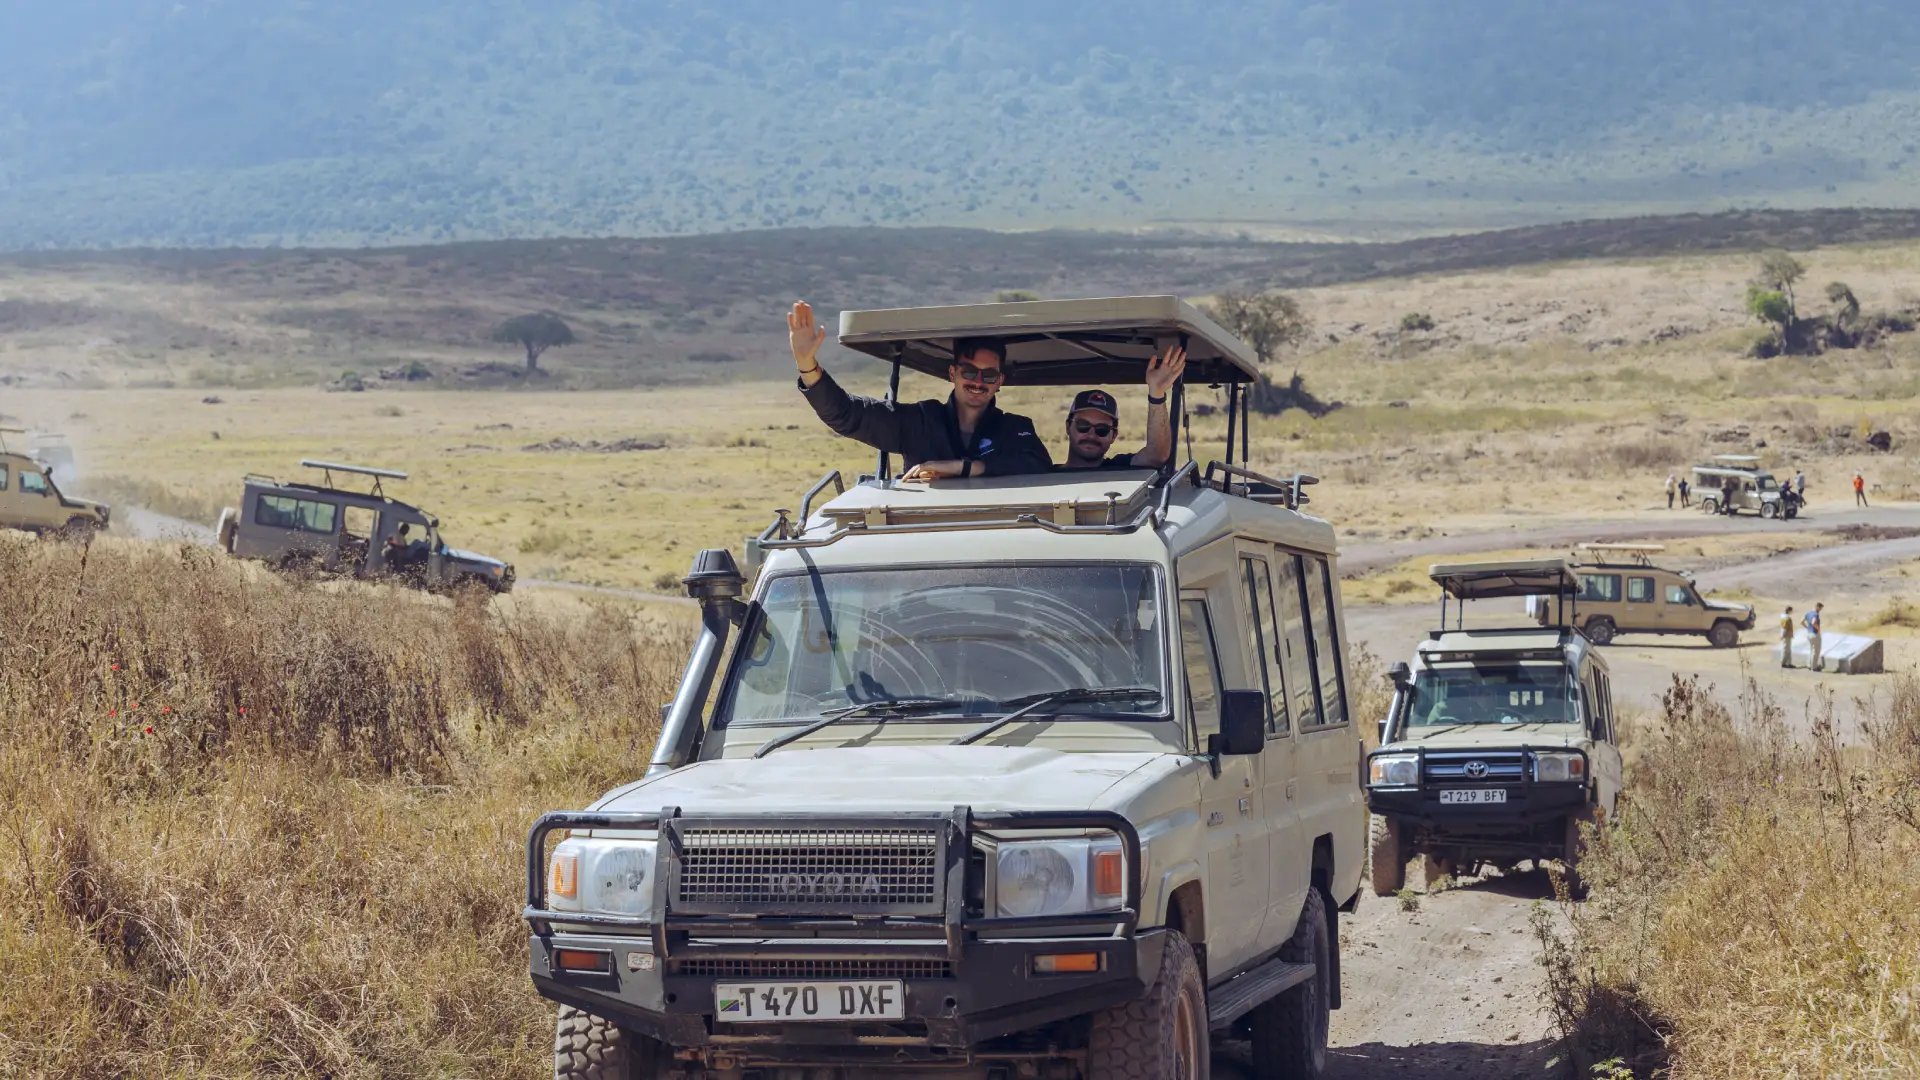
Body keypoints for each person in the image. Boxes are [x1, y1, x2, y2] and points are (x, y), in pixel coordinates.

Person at [786, 300, 1051, 480]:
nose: (978, 381)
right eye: (969, 372)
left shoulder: (1015, 429)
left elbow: (1038, 467)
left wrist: (962, 467)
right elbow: (847, 415)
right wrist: (806, 364)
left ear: (1000, 380)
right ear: (952, 373)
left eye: (989, 375)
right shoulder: (919, 421)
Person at [1059, 347, 1187, 470]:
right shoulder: (1043, 476)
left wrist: (1157, 392)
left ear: (1114, 435)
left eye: (1102, 430)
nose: (1091, 434)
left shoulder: (1119, 469)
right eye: (1083, 426)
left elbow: (1157, 456)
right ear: (1068, 427)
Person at [1804, 602, 1824, 671]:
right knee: (1816, 651)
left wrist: (1807, 628)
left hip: (1809, 633)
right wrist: (1818, 628)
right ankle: (1814, 667)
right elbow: (1813, 622)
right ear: (1817, 607)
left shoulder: (1808, 613)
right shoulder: (1816, 614)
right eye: (1820, 608)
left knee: (1811, 650)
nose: (1820, 610)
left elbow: (1801, 621)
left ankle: (1809, 665)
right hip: (1815, 634)